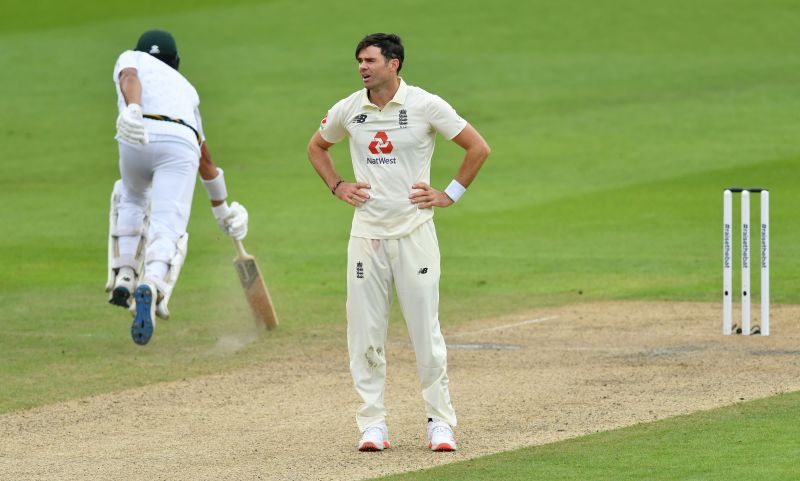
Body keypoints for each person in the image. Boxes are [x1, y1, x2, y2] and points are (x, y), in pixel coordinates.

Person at [307, 33, 491, 452]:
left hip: (414, 233)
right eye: (358, 61)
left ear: (394, 64)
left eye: (370, 60)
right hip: (366, 236)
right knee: (364, 333)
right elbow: (316, 147)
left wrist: (448, 194)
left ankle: (439, 423)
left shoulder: (425, 105)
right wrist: (337, 185)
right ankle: (373, 424)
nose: (362, 68)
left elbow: (477, 147)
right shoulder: (349, 109)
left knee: (425, 332)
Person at [106, 29, 249, 346]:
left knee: (130, 196)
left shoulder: (131, 57)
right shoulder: (187, 89)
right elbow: (206, 160)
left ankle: (126, 273)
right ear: (176, 62)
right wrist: (222, 212)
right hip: (180, 142)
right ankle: (153, 282)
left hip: (137, 132)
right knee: (168, 223)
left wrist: (133, 110)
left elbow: (129, 76)